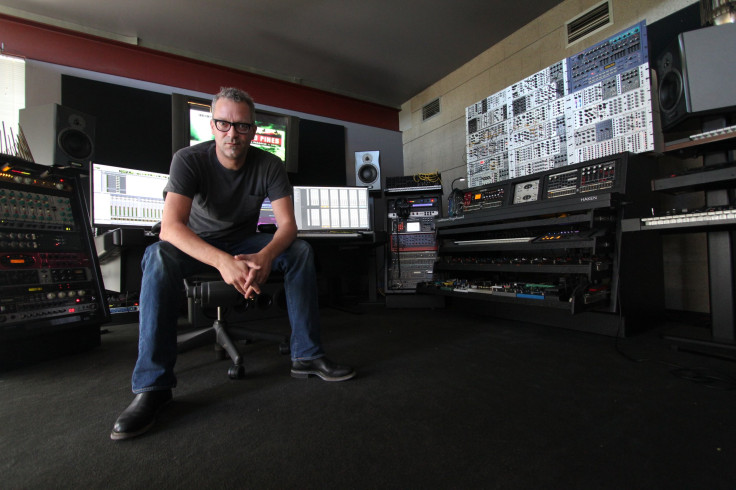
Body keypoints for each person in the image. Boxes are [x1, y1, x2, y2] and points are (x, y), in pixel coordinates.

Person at [111, 87, 355, 441]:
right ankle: (153, 387)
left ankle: (307, 356)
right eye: (224, 124)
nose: (232, 134)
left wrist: (266, 255)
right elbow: (170, 228)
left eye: (242, 127)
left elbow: (288, 226)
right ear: (212, 125)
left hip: (244, 241)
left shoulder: (269, 164)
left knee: (299, 251)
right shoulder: (188, 159)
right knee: (157, 256)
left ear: (253, 131)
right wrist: (223, 262)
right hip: (199, 242)